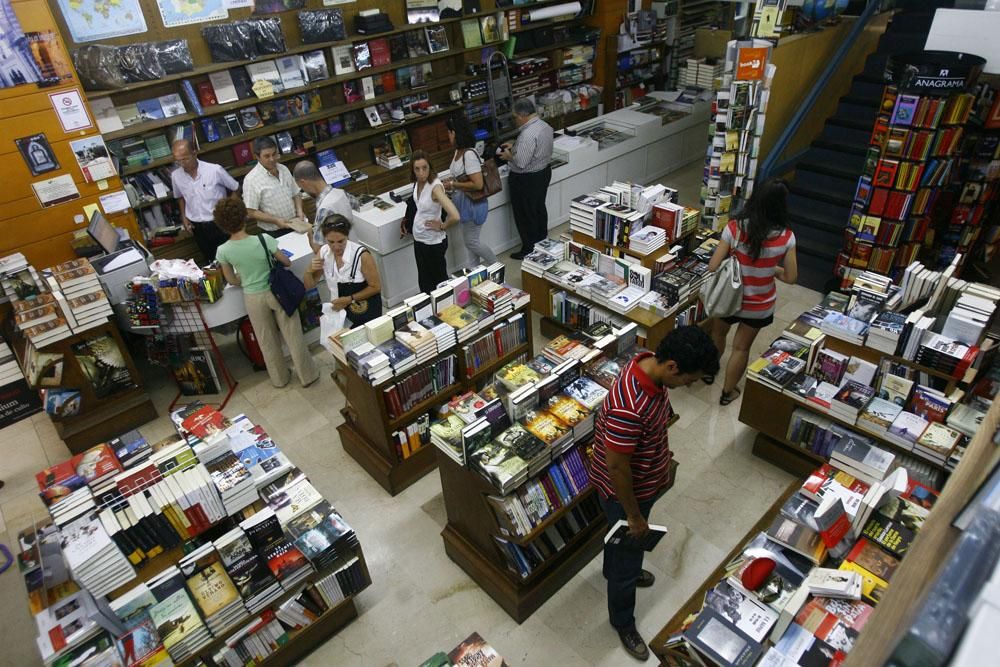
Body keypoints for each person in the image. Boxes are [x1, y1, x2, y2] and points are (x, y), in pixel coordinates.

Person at [590, 326, 719, 661]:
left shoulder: (647, 363)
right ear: (672, 366)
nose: (688, 387)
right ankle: (623, 620)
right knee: (627, 555)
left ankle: (616, 565)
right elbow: (618, 467)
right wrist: (633, 516)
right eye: (689, 380)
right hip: (624, 494)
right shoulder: (629, 407)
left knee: (619, 543)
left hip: (642, 483)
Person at [706, 178, 797, 406]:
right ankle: (728, 392)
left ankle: (709, 372)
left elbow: (713, 266)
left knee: (718, 335)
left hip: (728, 297)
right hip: (759, 305)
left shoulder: (734, 228)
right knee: (741, 348)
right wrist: (773, 269)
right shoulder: (787, 237)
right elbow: (791, 277)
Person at [214, 198, 319, 389]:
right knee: (292, 333)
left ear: (221, 224)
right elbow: (287, 263)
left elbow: (231, 280)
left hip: (253, 297)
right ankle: (307, 375)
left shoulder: (223, 251)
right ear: (244, 218)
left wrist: (245, 279)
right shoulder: (263, 240)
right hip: (277, 291)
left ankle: (280, 379)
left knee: (266, 340)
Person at [303, 215, 383, 327]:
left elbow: (376, 287)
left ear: (347, 236)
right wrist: (308, 271)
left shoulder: (361, 255)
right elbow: (310, 286)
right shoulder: (324, 252)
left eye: (341, 241)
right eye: (331, 242)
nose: (336, 247)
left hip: (364, 312)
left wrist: (349, 299)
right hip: (339, 311)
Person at [498, 98, 554, 259]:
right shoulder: (545, 126)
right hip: (543, 173)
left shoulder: (527, 134)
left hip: (526, 180)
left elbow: (521, 163)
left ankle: (529, 248)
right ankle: (542, 241)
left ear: (523, 115)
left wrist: (509, 155)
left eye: (515, 117)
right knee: (538, 209)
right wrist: (516, 145)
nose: (514, 120)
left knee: (525, 215)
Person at [170, 139, 239, 262]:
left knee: (232, 258)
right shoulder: (175, 176)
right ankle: (217, 281)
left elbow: (235, 188)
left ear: (194, 153)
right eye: (178, 160)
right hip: (198, 227)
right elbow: (180, 197)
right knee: (211, 261)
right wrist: (184, 217)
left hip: (220, 222)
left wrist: (230, 212)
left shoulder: (214, 170)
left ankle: (237, 280)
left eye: (185, 159)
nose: (182, 164)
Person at [443, 116, 497, 267]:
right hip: (463, 204)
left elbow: (478, 184)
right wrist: (452, 181)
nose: (448, 136)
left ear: (455, 133)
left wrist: (454, 184)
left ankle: (496, 266)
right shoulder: (457, 152)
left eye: (449, 132)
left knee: (472, 242)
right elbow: (460, 175)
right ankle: (475, 276)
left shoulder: (468, 155)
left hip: (472, 205)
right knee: (470, 245)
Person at [406, 150, 460, 294]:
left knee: (439, 285)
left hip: (433, 243)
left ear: (430, 167)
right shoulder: (417, 183)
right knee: (424, 284)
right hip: (420, 240)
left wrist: (442, 226)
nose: (421, 172)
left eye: (425, 168)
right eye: (417, 169)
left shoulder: (435, 188)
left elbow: (455, 215)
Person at [242, 136, 305, 238]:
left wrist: (300, 211)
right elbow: (251, 211)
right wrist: (275, 220)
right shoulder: (251, 180)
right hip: (273, 232)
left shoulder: (283, 168)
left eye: (274, 154)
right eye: (267, 156)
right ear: (257, 157)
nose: (272, 159)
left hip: (295, 224)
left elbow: (296, 193)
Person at [292, 160, 353, 251]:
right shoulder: (341, 193)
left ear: (303, 182)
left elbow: (318, 249)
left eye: (302, 188)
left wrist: (310, 233)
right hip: (354, 249)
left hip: (341, 256)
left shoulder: (325, 209)